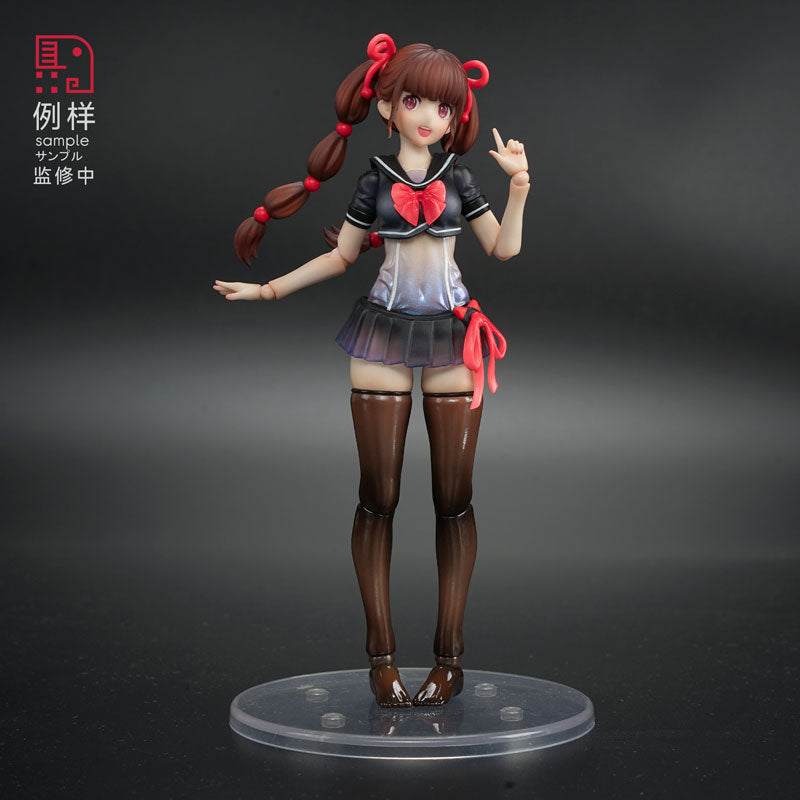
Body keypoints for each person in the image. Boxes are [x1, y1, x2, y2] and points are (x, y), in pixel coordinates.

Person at [213, 34, 529, 707]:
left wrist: (520, 186)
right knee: (377, 497)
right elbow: (341, 257)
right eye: (413, 101)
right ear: (387, 105)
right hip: (382, 330)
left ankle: (449, 659)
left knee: (454, 499)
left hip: (452, 335)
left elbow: (503, 250)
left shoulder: (461, 179)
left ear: (456, 116)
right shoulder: (373, 180)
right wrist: (267, 290)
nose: (427, 117)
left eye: (442, 107)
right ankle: (380, 658)